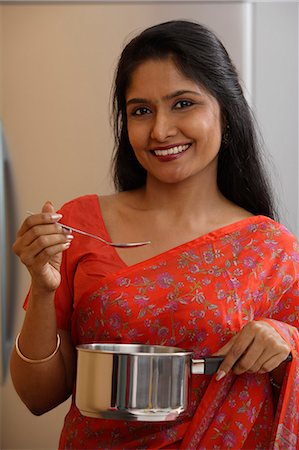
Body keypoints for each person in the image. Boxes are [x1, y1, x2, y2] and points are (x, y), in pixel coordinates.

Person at [11, 19, 299, 449]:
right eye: (141, 110)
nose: (161, 130)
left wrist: (286, 341)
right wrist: (42, 286)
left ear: (226, 109)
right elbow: (38, 398)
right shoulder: (80, 226)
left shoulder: (270, 249)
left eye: (183, 104)